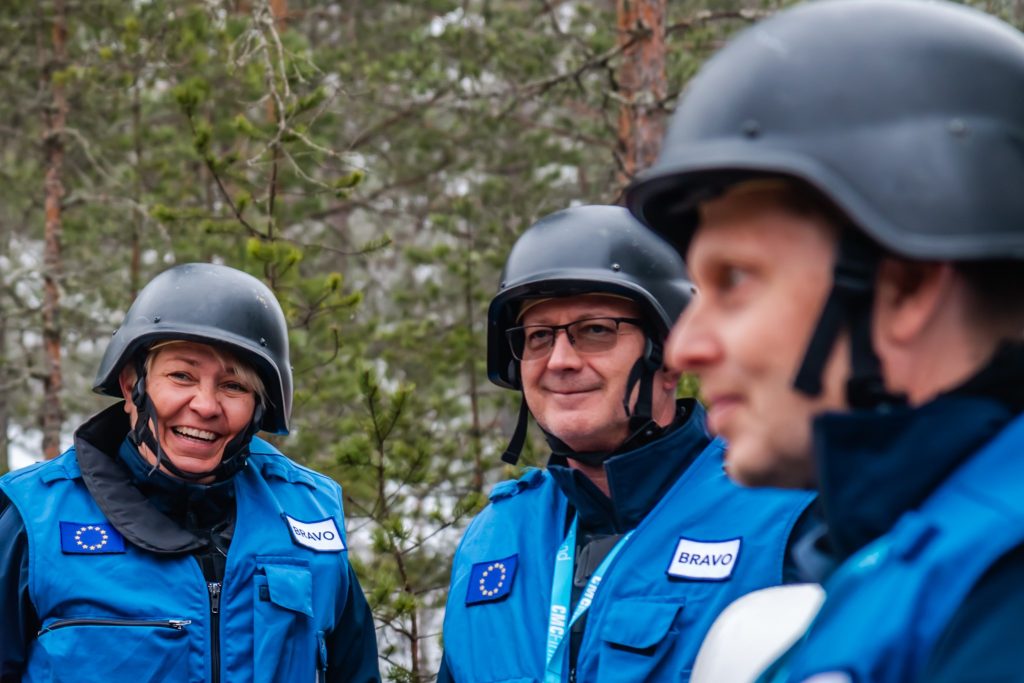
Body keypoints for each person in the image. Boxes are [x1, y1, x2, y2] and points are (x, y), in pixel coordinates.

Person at [627, 1, 1024, 680]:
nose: (683, 348)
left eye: (735, 279)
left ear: (907, 289)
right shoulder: (903, 556)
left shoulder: (1000, 594)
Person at [437, 205, 814, 682]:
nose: (559, 360)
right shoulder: (493, 536)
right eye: (538, 337)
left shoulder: (780, 517)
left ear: (671, 354)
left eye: (595, 331)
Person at [0, 263, 380, 683]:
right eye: (182, 376)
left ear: (258, 407)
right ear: (131, 385)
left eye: (234, 386)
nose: (206, 405)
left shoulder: (310, 518)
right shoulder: (35, 519)